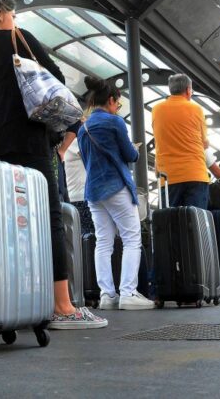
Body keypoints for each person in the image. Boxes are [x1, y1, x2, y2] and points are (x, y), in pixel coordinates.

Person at [0, 0, 106, 328]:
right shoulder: (17, 37)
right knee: (45, 217)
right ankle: (62, 306)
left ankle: (1, 303)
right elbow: (57, 80)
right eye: (12, 13)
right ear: (0, 13)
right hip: (29, 139)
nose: (15, 19)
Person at [77, 76, 154, 311]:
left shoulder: (84, 128)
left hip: (93, 190)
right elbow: (130, 155)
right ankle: (129, 292)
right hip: (116, 187)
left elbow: (85, 158)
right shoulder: (115, 122)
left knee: (103, 243)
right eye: (117, 104)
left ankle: (107, 295)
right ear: (111, 100)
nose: (117, 108)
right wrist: (135, 151)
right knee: (132, 239)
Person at [151, 73, 210, 209]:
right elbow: (204, 142)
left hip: (167, 177)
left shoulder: (156, 110)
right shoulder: (196, 109)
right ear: (188, 90)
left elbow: (160, 137)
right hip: (195, 174)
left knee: (170, 225)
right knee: (195, 225)